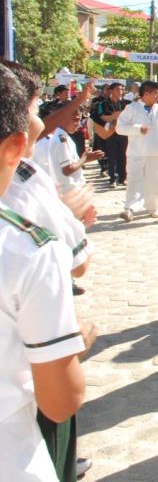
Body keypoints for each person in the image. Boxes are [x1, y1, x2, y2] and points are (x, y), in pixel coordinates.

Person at [0, 64, 94, 482]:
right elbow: (60, 400)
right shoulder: (28, 248)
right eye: (36, 106)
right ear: (16, 144)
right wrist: (77, 342)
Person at [116, 81, 158, 221]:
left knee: (156, 181)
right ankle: (129, 208)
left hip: (155, 151)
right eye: (155, 93)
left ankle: (153, 207)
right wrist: (137, 129)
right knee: (135, 180)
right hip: (137, 151)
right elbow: (119, 128)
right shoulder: (131, 108)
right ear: (146, 94)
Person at [50, 108, 104, 196]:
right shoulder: (61, 139)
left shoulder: (64, 136)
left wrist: (85, 159)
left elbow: (70, 164)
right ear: (63, 119)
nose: (78, 124)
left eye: (79, 120)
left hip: (71, 189)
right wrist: (85, 158)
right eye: (75, 120)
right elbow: (67, 170)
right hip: (68, 190)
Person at [90, 82, 130, 187]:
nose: (120, 91)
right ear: (111, 91)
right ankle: (112, 179)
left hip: (123, 133)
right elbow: (95, 116)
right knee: (112, 155)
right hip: (110, 132)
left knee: (123, 155)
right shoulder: (103, 104)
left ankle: (123, 178)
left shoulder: (128, 104)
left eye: (121, 89)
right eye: (117, 89)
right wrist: (107, 125)